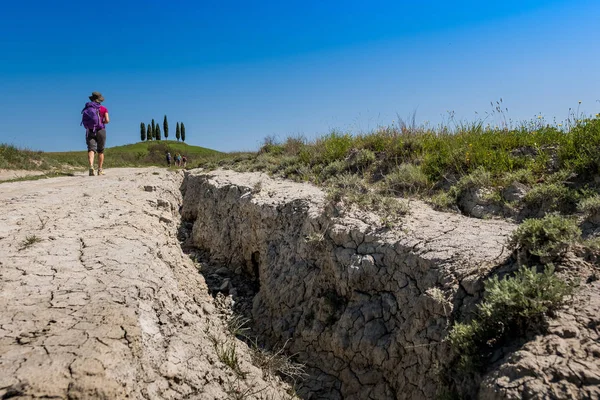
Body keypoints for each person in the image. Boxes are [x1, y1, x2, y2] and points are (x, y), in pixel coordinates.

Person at [83, 92, 109, 176]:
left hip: (90, 130)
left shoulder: (88, 108)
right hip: (101, 130)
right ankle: (100, 170)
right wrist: (102, 122)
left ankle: (91, 166)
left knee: (91, 149)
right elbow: (107, 120)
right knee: (100, 151)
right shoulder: (103, 108)